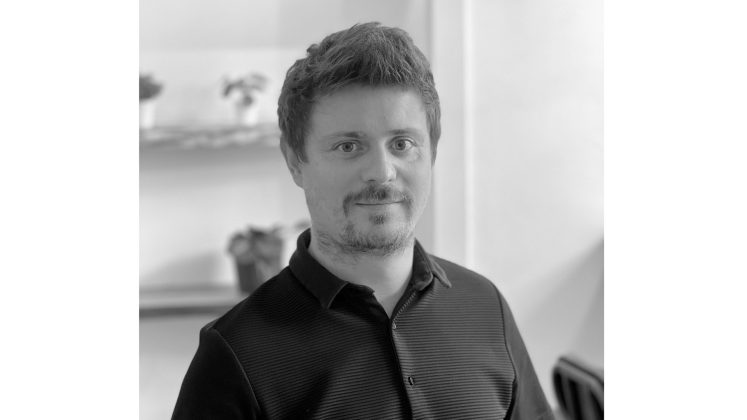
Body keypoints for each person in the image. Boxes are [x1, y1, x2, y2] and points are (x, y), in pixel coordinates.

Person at [172, 22, 553, 420]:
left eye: (402, 143)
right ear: (295, 160)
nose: (382, 172)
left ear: (432, 152)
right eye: (349, 146)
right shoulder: (235, 353)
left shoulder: (486, 308)